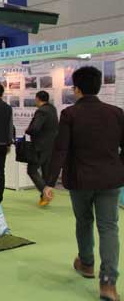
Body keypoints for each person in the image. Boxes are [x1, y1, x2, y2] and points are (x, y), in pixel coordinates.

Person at [43, 66, 124, 301]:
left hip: (80, 180)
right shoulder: (117, 113)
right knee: (109, 227)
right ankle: (108, 283)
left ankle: (87, 263)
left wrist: (49, 182)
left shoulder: (70, 114)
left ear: (77, 89)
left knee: (84, 221)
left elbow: (60, 149)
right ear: (98, 86)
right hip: (110, 180)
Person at [25, 90, 58, 207]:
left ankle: (45, 191)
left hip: (39, 146)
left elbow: (35, 128)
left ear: (37, 99)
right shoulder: (52, 109)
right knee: (46, 172)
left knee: (32, 170)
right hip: (51, 146)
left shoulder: (42, 111)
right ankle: (44, 198)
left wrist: (28, 130)